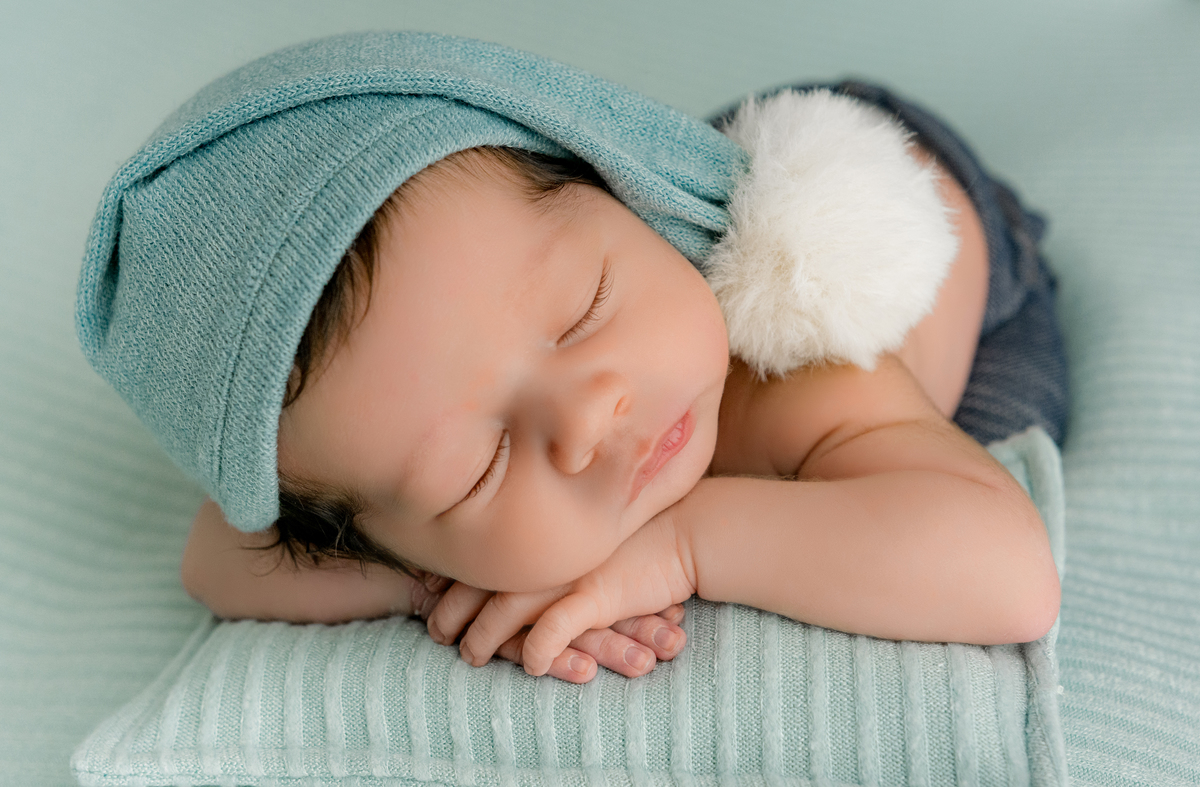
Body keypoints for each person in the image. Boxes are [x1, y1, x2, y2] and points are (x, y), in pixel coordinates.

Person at [77, 34, 1066, 686]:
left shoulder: (797, 373)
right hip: (568, 230)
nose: (590, 415)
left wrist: (686, 543)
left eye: (583, 313)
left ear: (628, 197)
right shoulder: (371, 462)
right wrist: (431, 579)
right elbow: (216, 556)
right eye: (478, 467)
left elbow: (1011, 573)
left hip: (933, 209)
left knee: (1012, 430)